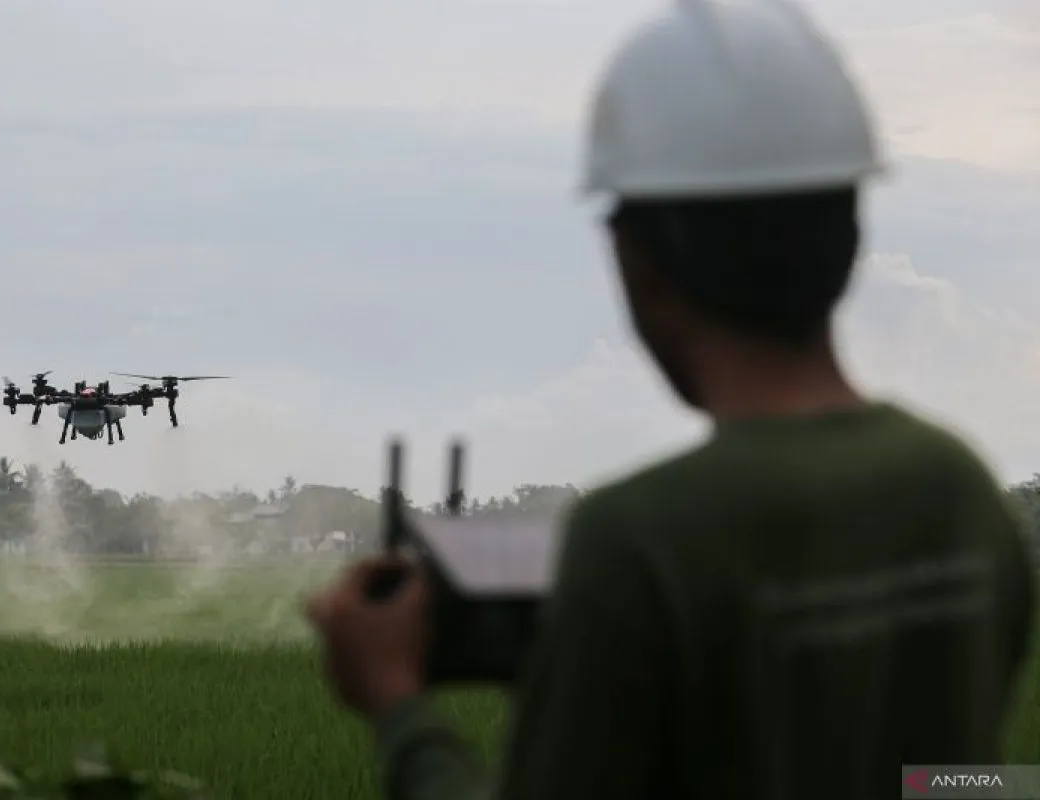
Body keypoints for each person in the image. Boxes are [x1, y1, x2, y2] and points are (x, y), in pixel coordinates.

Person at [304, 1, 1037, 798]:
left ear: (638, 263)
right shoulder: (959, 490)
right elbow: (943, 777)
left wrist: (398, 705)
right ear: (852, 235)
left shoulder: (637, 539)